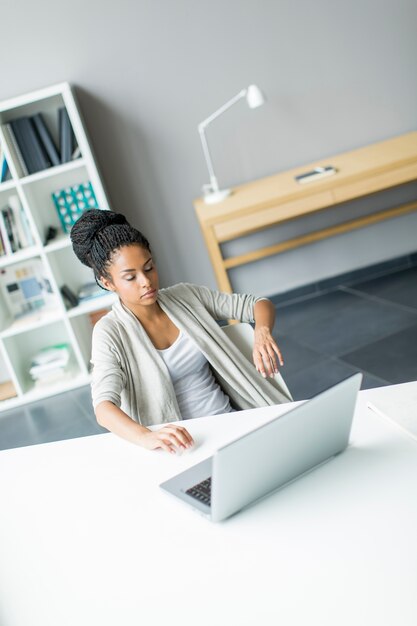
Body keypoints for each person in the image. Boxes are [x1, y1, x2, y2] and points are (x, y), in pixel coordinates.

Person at [70, 209, 291, 455]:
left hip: (232, 423)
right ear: (108, 282)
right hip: (181, 448)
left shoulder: (186, 296)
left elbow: (258, 304)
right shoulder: (109, 332)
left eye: (149, 267)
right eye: (130, 277)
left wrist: (261, 333)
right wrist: (147, 437)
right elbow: (103, 408)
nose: (146, 281)